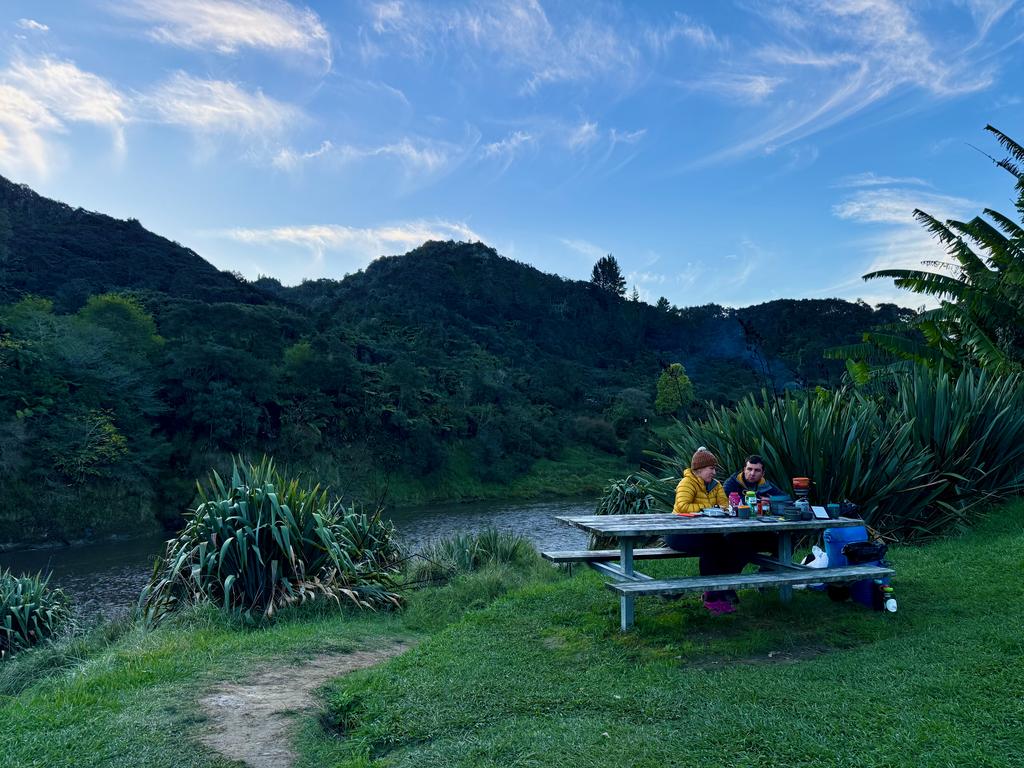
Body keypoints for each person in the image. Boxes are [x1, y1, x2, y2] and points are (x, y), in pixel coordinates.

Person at [665, 447, 745, 616]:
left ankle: (720, 589)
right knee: (711, 547)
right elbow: (682, 507)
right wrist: (709, 508)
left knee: (728, 544)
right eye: (711, 468)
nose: (714, 472)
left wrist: (716, 509)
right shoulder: (687, 483)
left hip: (705, 533)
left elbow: (724, 506)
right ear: (699, 470)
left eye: (714, 469)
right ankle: (712, 596)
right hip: (679, 534)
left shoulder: (716, 486)